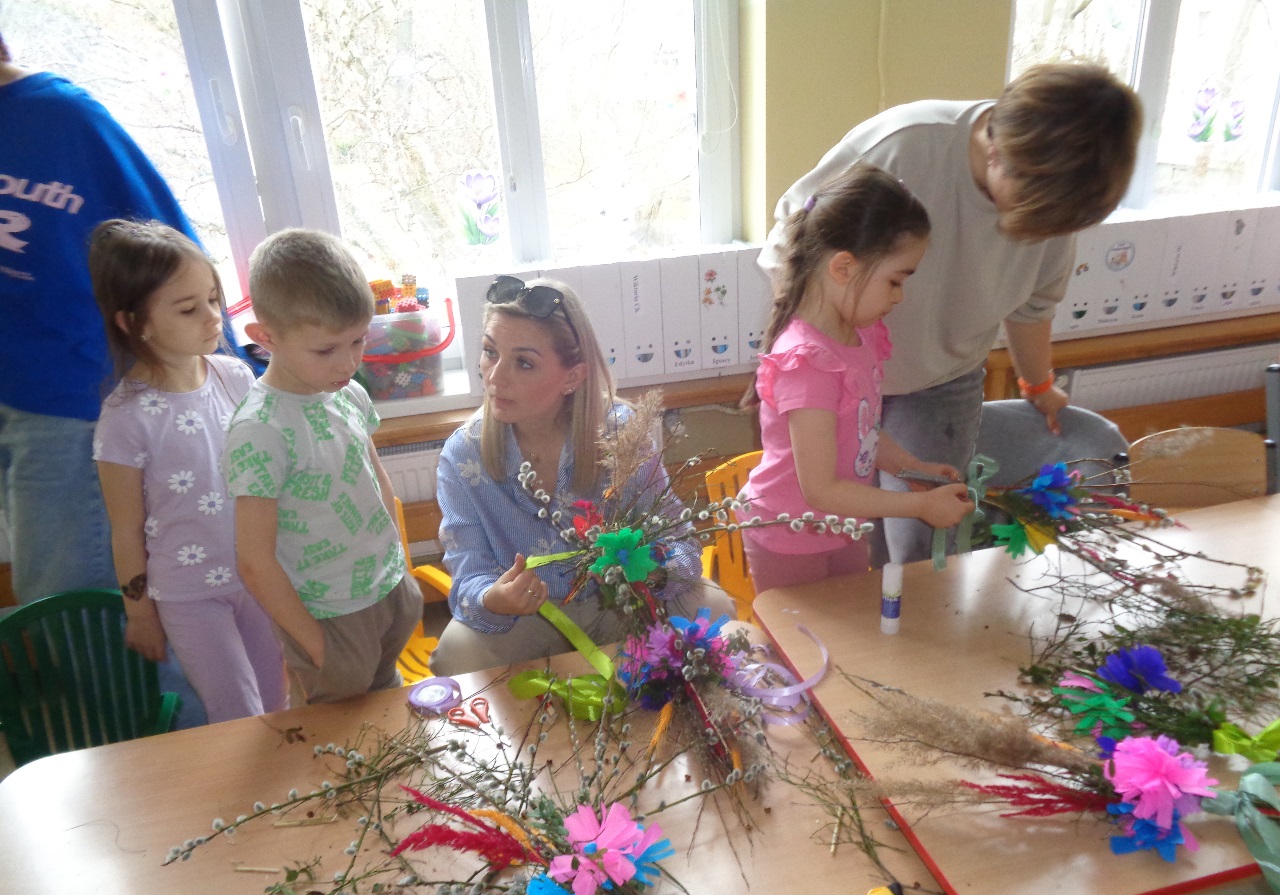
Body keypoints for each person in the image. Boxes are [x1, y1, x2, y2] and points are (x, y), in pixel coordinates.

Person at [760, 62, 1142, 566]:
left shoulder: (1057, 199)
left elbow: (1032, 305)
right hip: (842, 370)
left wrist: (1037, 385)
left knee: (923, 546)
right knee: (844, 529)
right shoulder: (906, 146)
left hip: (941, 381)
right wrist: (828, 353)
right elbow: (793, 241)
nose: (1046, 229)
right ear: (1000, 154)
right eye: (1037, 210)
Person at [430, 276, 735, 676]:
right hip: (528, 618)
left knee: (715, 610)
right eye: (490, 352)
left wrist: (658, 570)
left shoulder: (621, 434)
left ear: (572, 377)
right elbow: (468, 572)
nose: (495, 377)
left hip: (619, 605)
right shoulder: (463, 454)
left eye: (523, 363)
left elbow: (681, 543)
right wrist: (494, 598)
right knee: (455, 655)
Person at [0, 33, 206, 604]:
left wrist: (219, 375)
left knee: (64, 597)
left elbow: (172, 255)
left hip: (75, 399)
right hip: (11, 391)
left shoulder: (65, 120)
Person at [739, 165, 972, 593]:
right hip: (789, 537)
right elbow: (821, 490)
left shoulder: (858, 337)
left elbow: (863, 431)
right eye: (895, 280)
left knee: (850, 626)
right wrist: (919, 506)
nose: (899, 296)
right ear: (844, 267)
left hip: (841, 526)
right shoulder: (808, 364)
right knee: (802, 635)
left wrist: (913, 469)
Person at [89, 219, 286, 723]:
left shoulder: (236, 377)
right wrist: (139, 612)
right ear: (134, 323)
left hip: (257, 574)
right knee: (237, 714)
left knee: (277, 703)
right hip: (189, 594)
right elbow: (126, 529)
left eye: (214, 300)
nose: (213, 317)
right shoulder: (124, 418)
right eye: (188, 308)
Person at [221, 228, 421, 704]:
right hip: (327, 613)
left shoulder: (348, 393)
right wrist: (314, 645)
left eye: (358, 341)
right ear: (264, 338)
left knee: (385, 703)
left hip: (388, 589)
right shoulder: (259, 429)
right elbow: (254, 560)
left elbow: (378, 481)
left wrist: (401, 570)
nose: (349, 363)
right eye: (327, 349)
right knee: (337, 728)